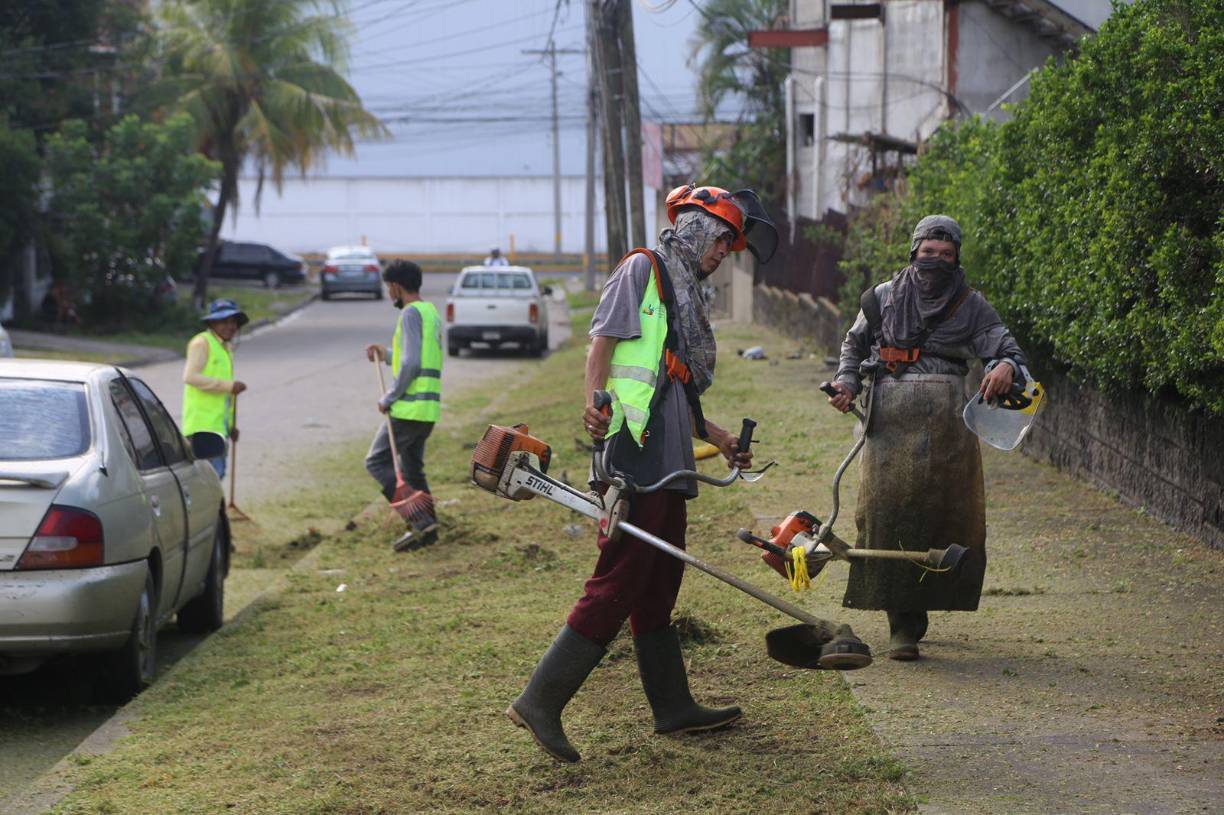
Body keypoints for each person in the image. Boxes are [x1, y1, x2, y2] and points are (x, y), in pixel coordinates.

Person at [507, 184, 780, 764]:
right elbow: (601, 342)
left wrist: (719, 437)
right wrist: (594, 406)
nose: (725, 252)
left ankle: (673, 706)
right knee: (623, 573)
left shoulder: (683, 289)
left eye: (731, 243)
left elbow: (671, 379)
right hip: (632, 449)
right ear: (696, 227)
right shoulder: (644, 268)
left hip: (668, 453)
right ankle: (541, 700)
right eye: (722, 239)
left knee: (659, 578)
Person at [826, 214, 1028, 661]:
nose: (936, 260)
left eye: (946, 254)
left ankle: (919, 615)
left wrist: (1004, 367)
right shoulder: (880, 299)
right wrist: (846, 385)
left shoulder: (973, 306)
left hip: (947, 430)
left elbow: (1006, 350)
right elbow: (854, 347)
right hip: (887, 427)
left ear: (956, 259)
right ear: (913, 251)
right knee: (888, 520)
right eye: (928, 252)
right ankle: (902, 624)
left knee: (939, 523)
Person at [364, 260, 443, 552]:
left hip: (409, 408)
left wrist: (390, 397)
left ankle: (419, 519)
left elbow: (411, 363)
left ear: (396, 286)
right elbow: (413, 355)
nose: (388, 293)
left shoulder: (410, 314)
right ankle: (430, 528)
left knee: (376, 462)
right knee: (411, 468)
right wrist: (384, 354)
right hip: (426, 410)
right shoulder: (429, 311)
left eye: (388, 288)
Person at [182, 298, 248, 478]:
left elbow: (226, 397)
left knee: (216, 475)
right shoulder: (201, 343)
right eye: (224, 322)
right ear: (212, 323)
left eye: (233, 322)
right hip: (202, 426)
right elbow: (190, 377)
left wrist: (231, 426)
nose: (230, 326)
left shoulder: (225, 348)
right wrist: (229, 385)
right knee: (209, 478)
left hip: (218, 426)